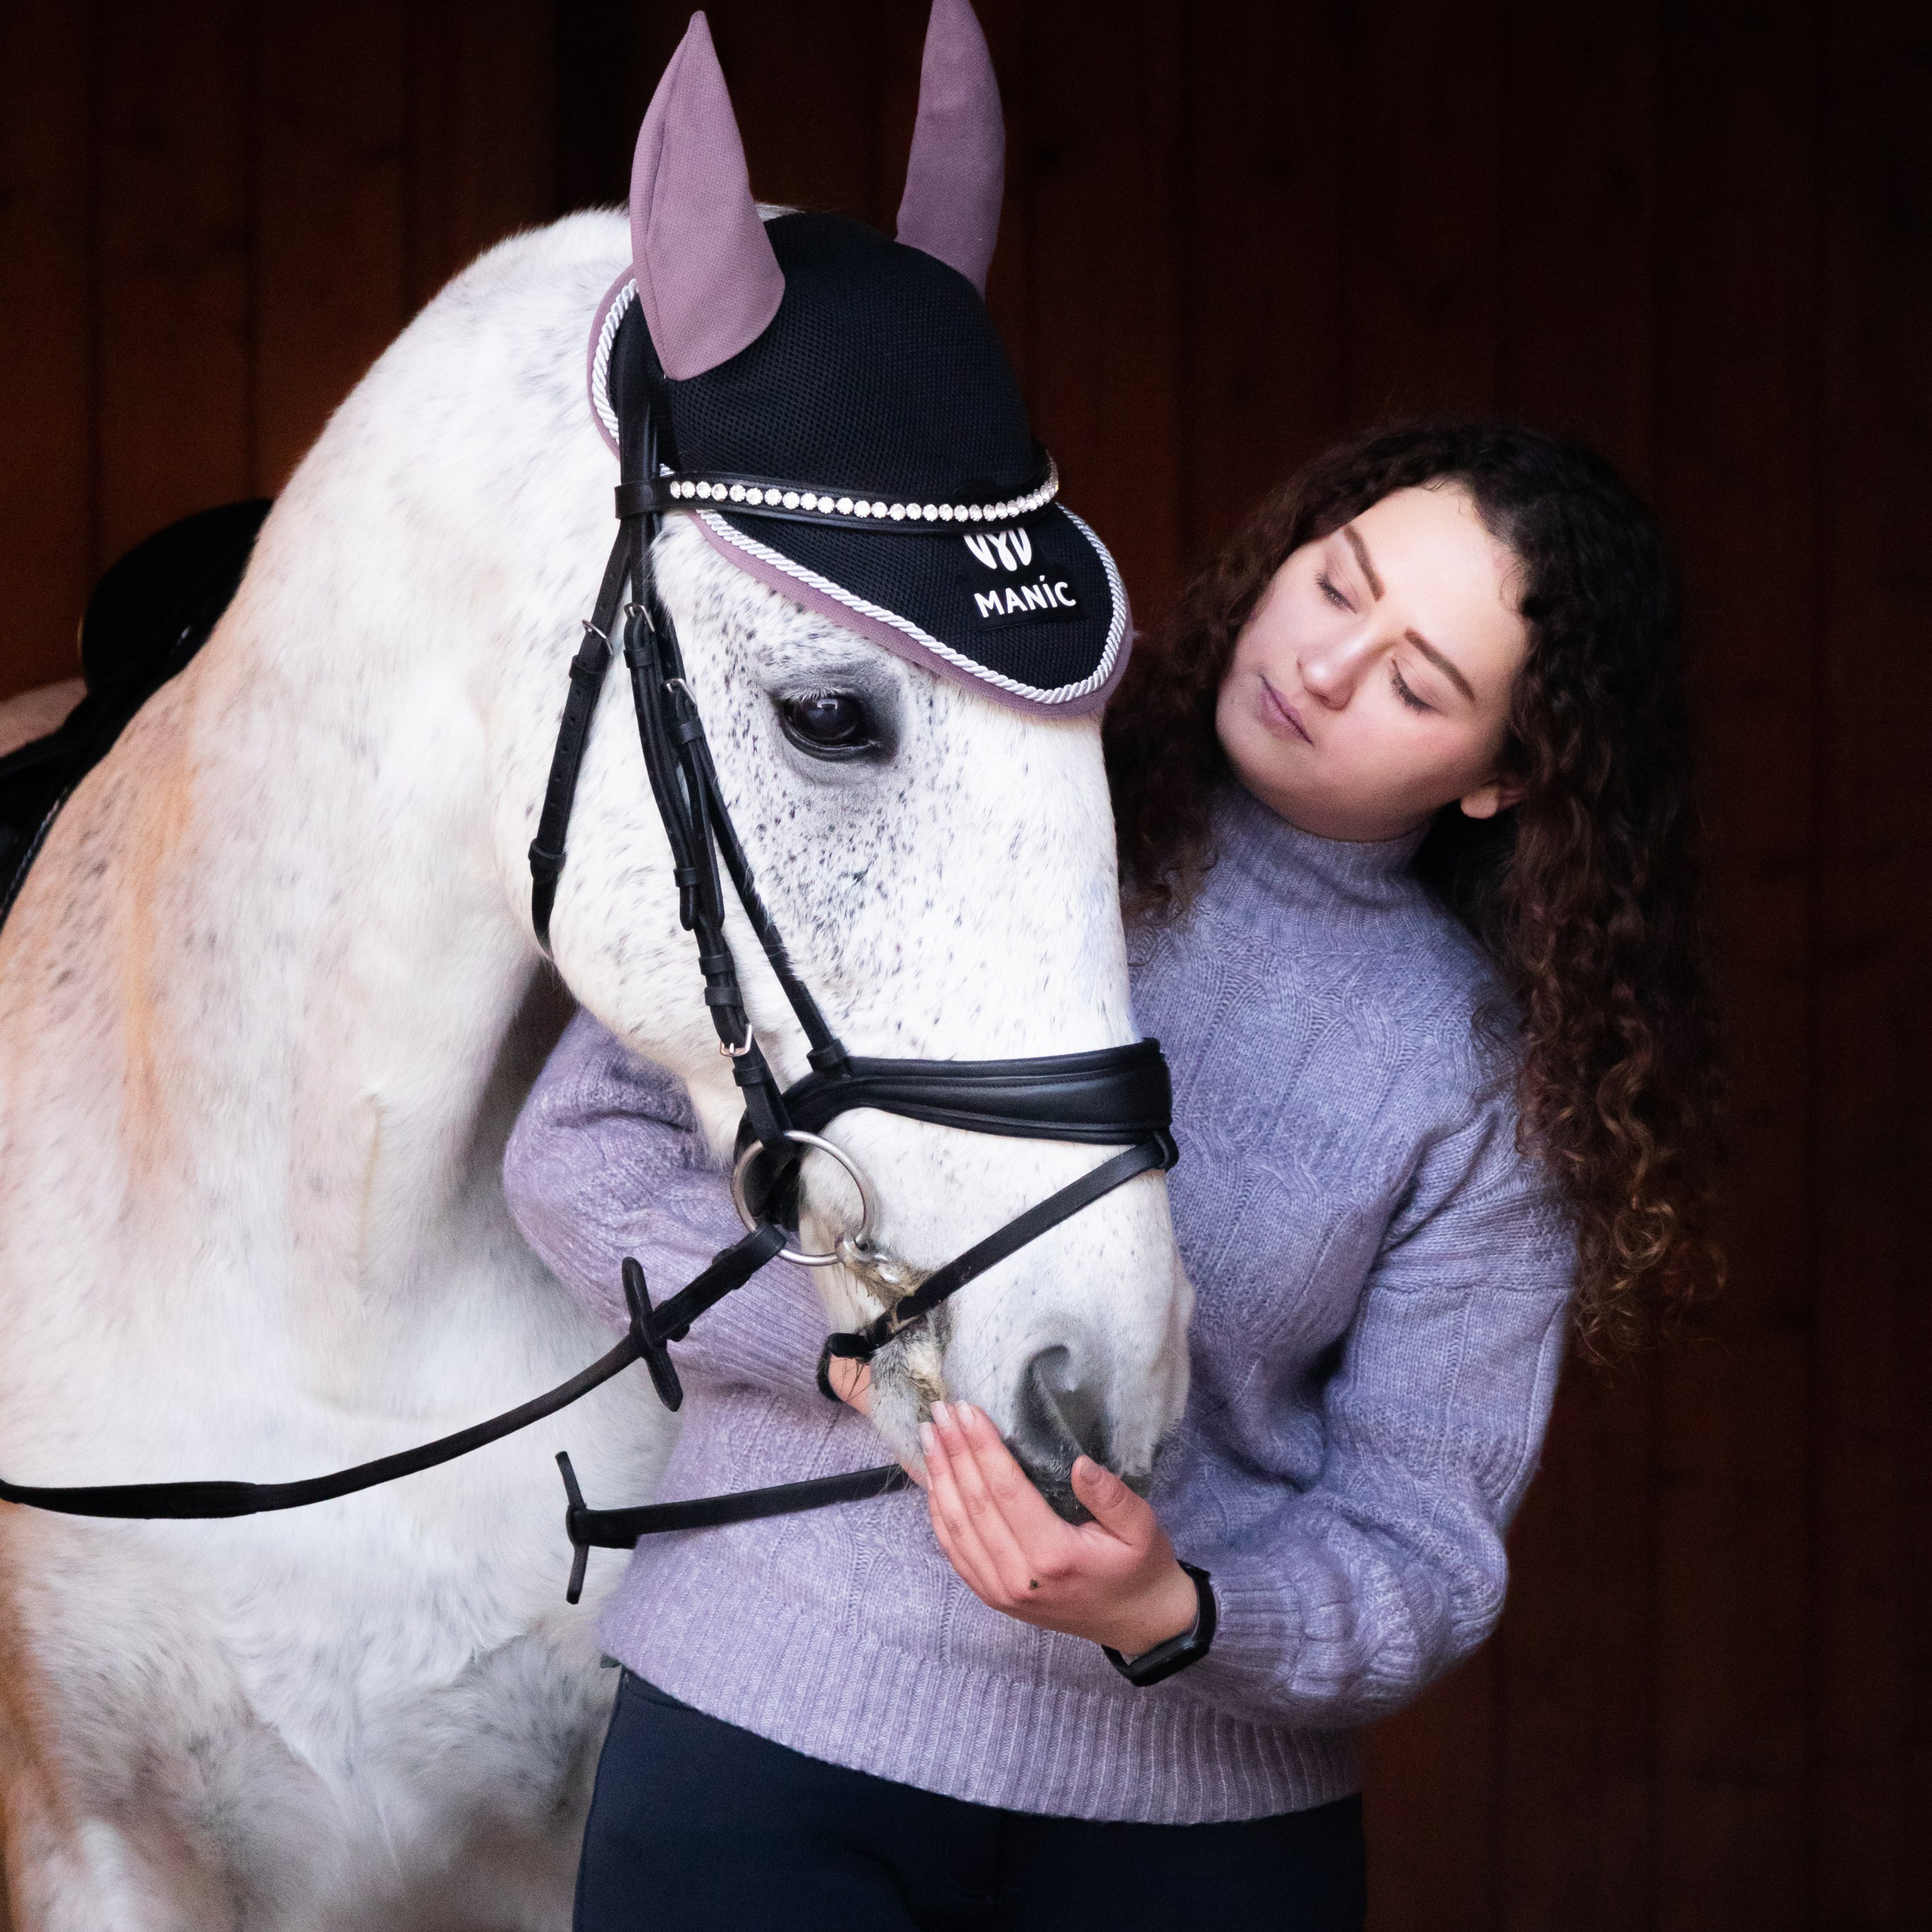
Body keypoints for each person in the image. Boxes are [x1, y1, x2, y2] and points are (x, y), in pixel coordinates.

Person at [505, 417, 1722, 1930]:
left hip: (1190, 1839)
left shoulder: (1481, 1077)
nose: (1327, 667)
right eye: (1334, 585)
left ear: (1503, 776)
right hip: (765, 1734)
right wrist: (851, 1358)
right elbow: (584, 1145)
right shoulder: (939, 793)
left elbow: (1416, 1541)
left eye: (1418, 681)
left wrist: (1176, 1610)